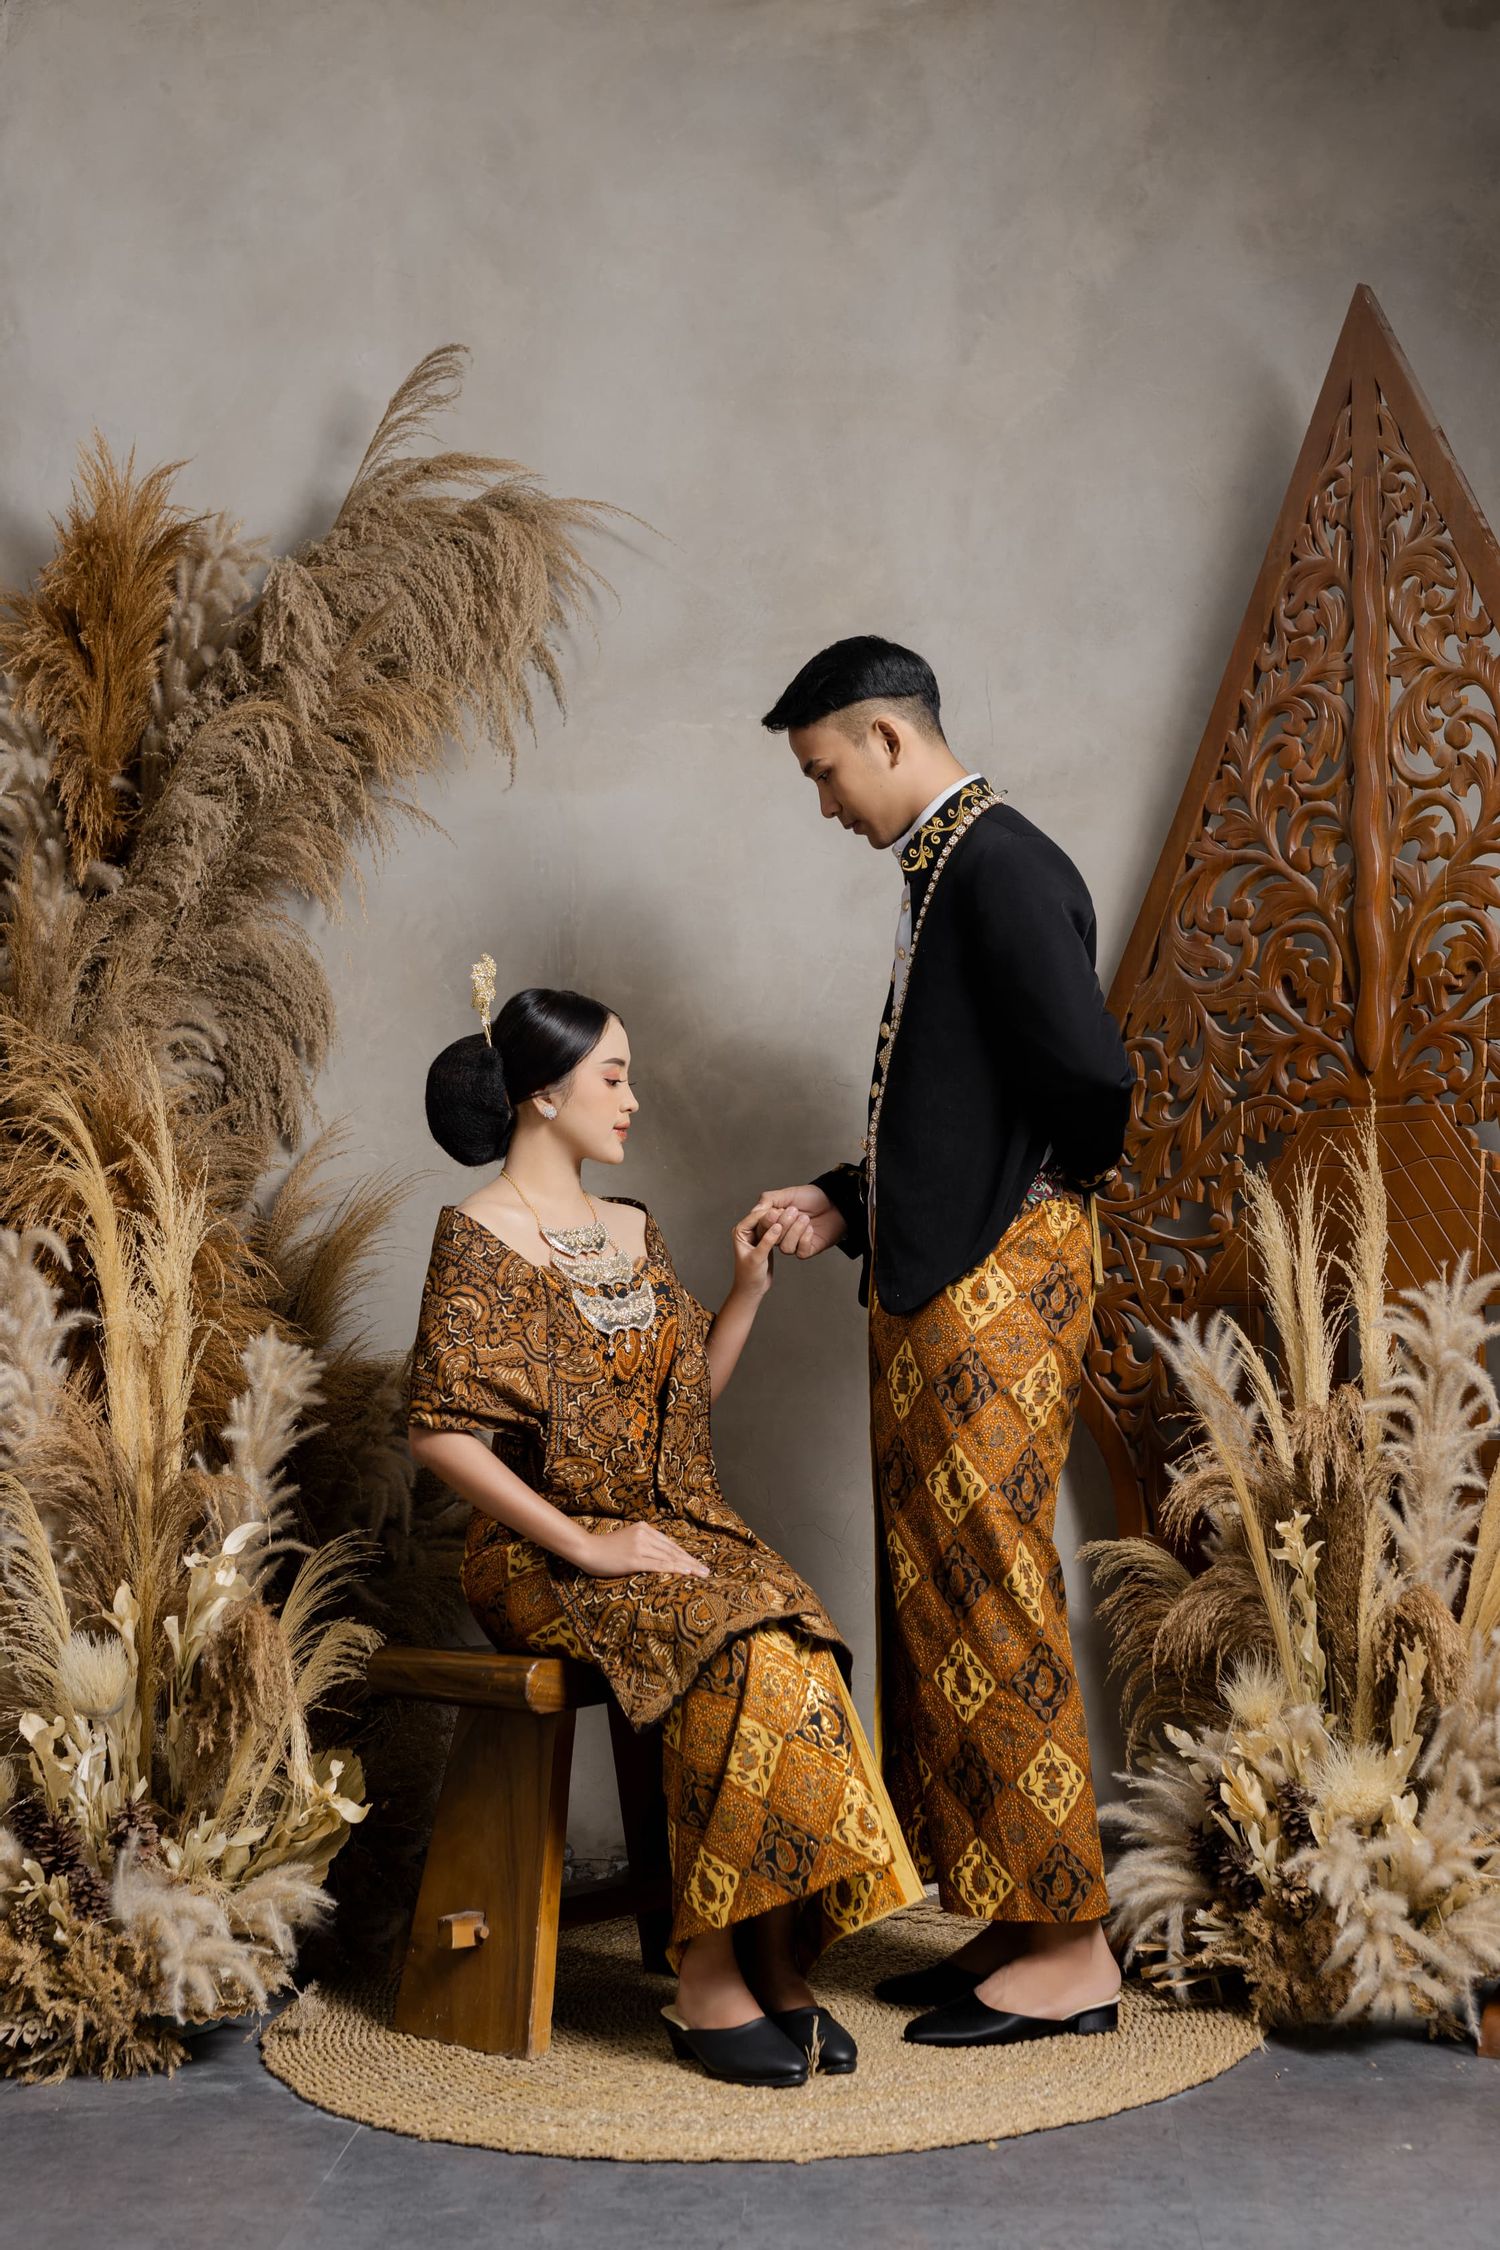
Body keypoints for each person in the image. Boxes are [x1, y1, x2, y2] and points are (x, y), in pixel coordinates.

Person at [405, 973, 922, 2087]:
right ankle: (707, 1977)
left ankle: (774, 1957)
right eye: (614, 1077)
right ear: (545, 1094)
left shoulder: (632, 1229)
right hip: (541, 1555)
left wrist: (746, 1289)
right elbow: (440, 1433)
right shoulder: (477, 1238)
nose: (633, 1099)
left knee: (791, 1639)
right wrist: (588, 1545)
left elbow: (687, 1401)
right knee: (728, 1649)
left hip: (668, 1528)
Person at [756, 636, 1133, 2048]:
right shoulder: (949, 866)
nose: (823, 803)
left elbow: (1088, 1082)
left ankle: (1074, 1948)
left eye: (824, 771)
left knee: (988, 1582)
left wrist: (1022, 1214)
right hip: (946, 1281)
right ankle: (1013, 1911)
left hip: (994, 1285)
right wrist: (850, 1200)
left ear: (888, 738)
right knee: (938, 1590)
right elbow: (965, 1101)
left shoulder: (1000, 863)